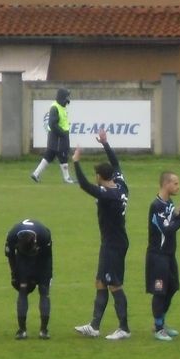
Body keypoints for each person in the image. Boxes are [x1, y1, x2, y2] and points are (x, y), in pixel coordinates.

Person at [73, 128, 131, 340]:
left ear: (99, 177)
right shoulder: (121, 186)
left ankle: (124, 328)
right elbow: (116, 164)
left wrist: (76, 162)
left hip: (113, 244)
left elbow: (83, 185)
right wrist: (105, 144)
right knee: (100, 282)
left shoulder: (108, 195)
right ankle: (94, 326)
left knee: (114, 284)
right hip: (112, 242)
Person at [145, 171, 180, 341]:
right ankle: (158, 328)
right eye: (175, 183)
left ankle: (161, 323)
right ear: (166, 184)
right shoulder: (156, 206)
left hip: (169, 255)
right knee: (160, 291)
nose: (178, 187)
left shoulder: (168, 202)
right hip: (158, 256)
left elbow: (170, 220)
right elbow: (167, 229)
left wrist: (178, 212)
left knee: (172, 287)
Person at [4, 218, 53, 340]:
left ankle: (44, 330)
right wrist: (14, 274)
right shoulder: (12, 236)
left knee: (44, 290)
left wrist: (46, 277)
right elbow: (10, 256)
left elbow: (48, 257)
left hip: (42, 258)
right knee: (23, 290)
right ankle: (22, 330)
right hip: (22, 260)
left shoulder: (44, 235)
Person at [30, 88, 75, 184]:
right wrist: (62, 133)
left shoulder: (60, 106)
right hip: (59, 137)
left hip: (55, 137)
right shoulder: (55, 108)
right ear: (62, 97)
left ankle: (36, 173)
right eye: (66, 96)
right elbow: (52, 124)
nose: (68, 98)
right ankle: (67, 178)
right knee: (63, 156)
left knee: (49, 156)